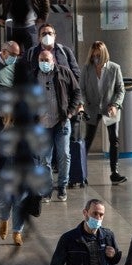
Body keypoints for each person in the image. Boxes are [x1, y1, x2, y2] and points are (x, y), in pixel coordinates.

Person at [49, 199, 123, 265]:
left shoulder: (108, 236)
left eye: (101, 215)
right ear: (85, 213)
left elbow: (114, 261)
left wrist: (114, 254)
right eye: (95, 213)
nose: (98, 218)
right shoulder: (69, 238)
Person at [35, 48, 83, 203]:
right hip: (42, 124)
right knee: (44, 159)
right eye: (41, 60)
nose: (44, 63)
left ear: (53, 60)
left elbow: (76, 92)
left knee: (64, 154)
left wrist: (70, 112)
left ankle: (62, 186)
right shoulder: (33, 76)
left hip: (61, 122)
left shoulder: (64, 73)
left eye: (46, 60)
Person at [80, 41, 127, 185]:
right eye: (94, 56)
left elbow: (120, 89)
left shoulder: (114, 68)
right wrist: (82, 104)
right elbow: (81, 89)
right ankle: (81, 172)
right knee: (87, 140)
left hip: (109, 107)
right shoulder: (87, 69)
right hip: (92, 107)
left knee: (114, 139)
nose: (96, 59)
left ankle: (114, 172)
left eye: (99, 56)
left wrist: (115, 105)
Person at [0, 111, 29, 245]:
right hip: (2, 165)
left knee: (20, 200)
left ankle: (17, 232)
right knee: (3, 199)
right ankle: (3, 219)